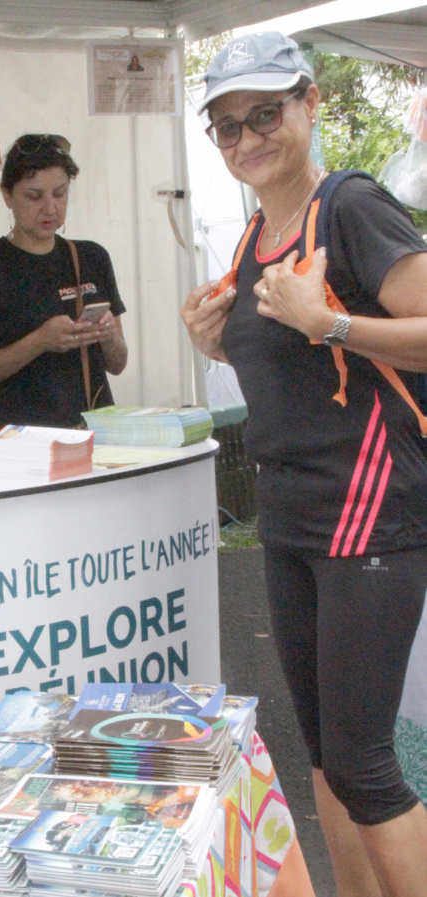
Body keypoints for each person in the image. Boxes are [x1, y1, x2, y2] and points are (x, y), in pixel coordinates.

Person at [181, 33, 427, 897]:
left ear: (310, 104)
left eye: (264, 113)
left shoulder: (349, 207)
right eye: (226, 126)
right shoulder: (256, 234)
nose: (246, 138)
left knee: (364, 761)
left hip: (368, 512)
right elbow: (283, 364)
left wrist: (332, 325)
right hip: (289, 517)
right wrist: (212, 336)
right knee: (322, 753)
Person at [0, 134, 128, 429]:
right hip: (22, 442)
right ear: (7, 196)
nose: (50, 208)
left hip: (92, 434)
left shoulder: (91, 257)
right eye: (34, 196)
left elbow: (118, 364)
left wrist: (109, 336)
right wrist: (39, 342)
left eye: (60, 194)